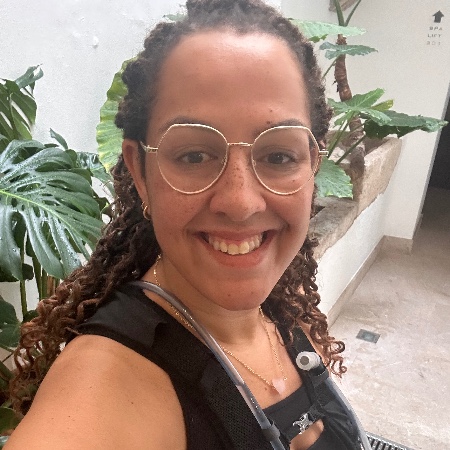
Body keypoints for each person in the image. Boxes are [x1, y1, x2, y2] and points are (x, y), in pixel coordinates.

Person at [6, 0, 362, 449]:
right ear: (140, 172)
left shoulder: (285, 314)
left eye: (278, 156)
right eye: (194, 155)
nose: (240, 203)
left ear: (312, 165)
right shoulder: (106, 388)